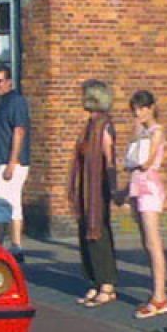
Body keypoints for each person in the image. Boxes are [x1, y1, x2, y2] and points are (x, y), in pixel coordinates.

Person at [67, 79, 118, 307]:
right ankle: (95, 281)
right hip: (85, 189)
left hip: (98, 188)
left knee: (99, 233)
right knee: (85, 232)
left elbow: (109, 158)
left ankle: (107, 284)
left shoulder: (105, 125)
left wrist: (114, 188)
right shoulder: (89, 125)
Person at [125, 90, 167, 318]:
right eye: (135, 109)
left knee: (153, 242)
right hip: (137, 187)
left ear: (151, 107)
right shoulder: (142, 131)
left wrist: (138, 140)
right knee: (146, 241)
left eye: (142, 108)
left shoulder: (157, 132)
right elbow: (130, 159)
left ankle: (160, 296)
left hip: (149, 188)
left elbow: (145, 162)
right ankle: (156, 293)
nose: (138, 113)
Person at [0, 64, 30, 257]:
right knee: (12, 203)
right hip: (3, 161)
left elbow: (19, 130)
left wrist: (12, 163)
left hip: (11, 162)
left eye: (0, 81)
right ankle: (15, 246)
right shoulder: (4, 103)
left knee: (2, 203)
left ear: (9, 82)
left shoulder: (16, 102)